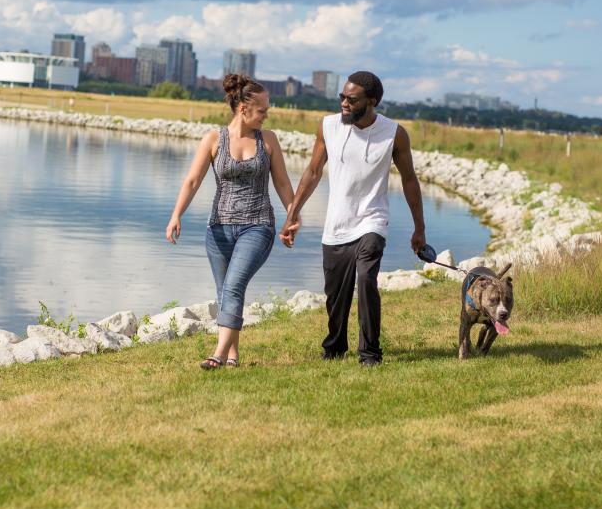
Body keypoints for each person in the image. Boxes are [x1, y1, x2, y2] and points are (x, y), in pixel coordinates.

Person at [279, 71, 425, 366]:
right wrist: (292, 213)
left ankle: (370, 353)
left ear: (372, 101)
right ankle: (335, 347)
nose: (344, 103)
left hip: (373, 220)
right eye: (342, 97)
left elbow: (409, 180)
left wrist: (419, 228)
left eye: (351, 99)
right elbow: (313, 171)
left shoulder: (394, 133)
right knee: (335, 296)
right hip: (336, 224)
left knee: (366, 280)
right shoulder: (329, 126)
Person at [166, 74, 295, 369]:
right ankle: (234, 355)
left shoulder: (269, 140)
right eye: (262, 110)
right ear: (243, 109)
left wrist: (292, 216)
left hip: (258, 225)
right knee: (225, 291)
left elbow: (284, 185)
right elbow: (193, 180)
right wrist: (176, 215)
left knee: (234, 287)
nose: (266, 115)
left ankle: (219, 353)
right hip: (218, 229)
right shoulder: (214, 139)